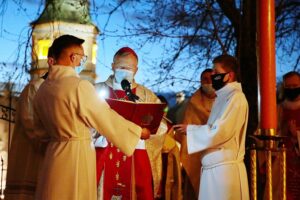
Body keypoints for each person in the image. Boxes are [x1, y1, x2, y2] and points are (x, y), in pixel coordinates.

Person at [33, 36, 150, 200]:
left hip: (53, 156)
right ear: (73, 57)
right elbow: (104, 117)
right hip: (76, 155)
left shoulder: (42, 90)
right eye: (82, 57)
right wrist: (137, 132)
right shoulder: (79, 86)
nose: (82, 61)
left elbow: (38, 131)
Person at [174, 54, 249, 200]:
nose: (212, 74)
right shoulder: (222, 97)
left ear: (229, 75)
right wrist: (190, 129)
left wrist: (190, 130)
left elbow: (222, 131)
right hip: (213, 170)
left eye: (215, 71)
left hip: (225, 172)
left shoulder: (236, 98)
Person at [94, 47, 165, 199]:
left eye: (129, 68)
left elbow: (162, 126)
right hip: (104, 152)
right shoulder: (96, 90)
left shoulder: (146, 95)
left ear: (136, 70)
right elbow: (85, 121)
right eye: (121, 67)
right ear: (112, 66)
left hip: (136, 155)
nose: (125, 71)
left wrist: (149, 133)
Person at [4, 47, 54, 200]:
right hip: (31, 157)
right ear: (52, 62)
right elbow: (30, 122)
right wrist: (53, 142)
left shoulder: (57, 90)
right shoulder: (35, 87)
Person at [177, 68, 216, 200]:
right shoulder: (193, 102)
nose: (209, 82)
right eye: (205, 79)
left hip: (218, 152)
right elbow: (186, 129)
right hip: (196, 154)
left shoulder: (224, 100)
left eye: (211, 79)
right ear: (200, 81)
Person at [271, 71, 300, 199]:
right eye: (288, 87)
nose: (292, 89)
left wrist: (296, 135)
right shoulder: (277, 109)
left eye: (295, 86)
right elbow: (267, 133)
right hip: (281, 161)